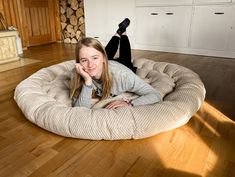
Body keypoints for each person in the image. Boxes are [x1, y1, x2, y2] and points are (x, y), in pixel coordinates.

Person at [70, 18, 162, 109]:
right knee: (102, 53)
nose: (90, 65)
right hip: (107, 64)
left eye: (94, 58)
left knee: (125, 58)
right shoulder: (78, 73)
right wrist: (87, 81)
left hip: (120, 66)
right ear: (79, 62)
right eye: (84, 60)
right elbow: (80, 111)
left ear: (103, 59)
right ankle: (119, 32)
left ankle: (122, 32)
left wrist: (129, 103)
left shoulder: (122, 75)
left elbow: (155, 95)